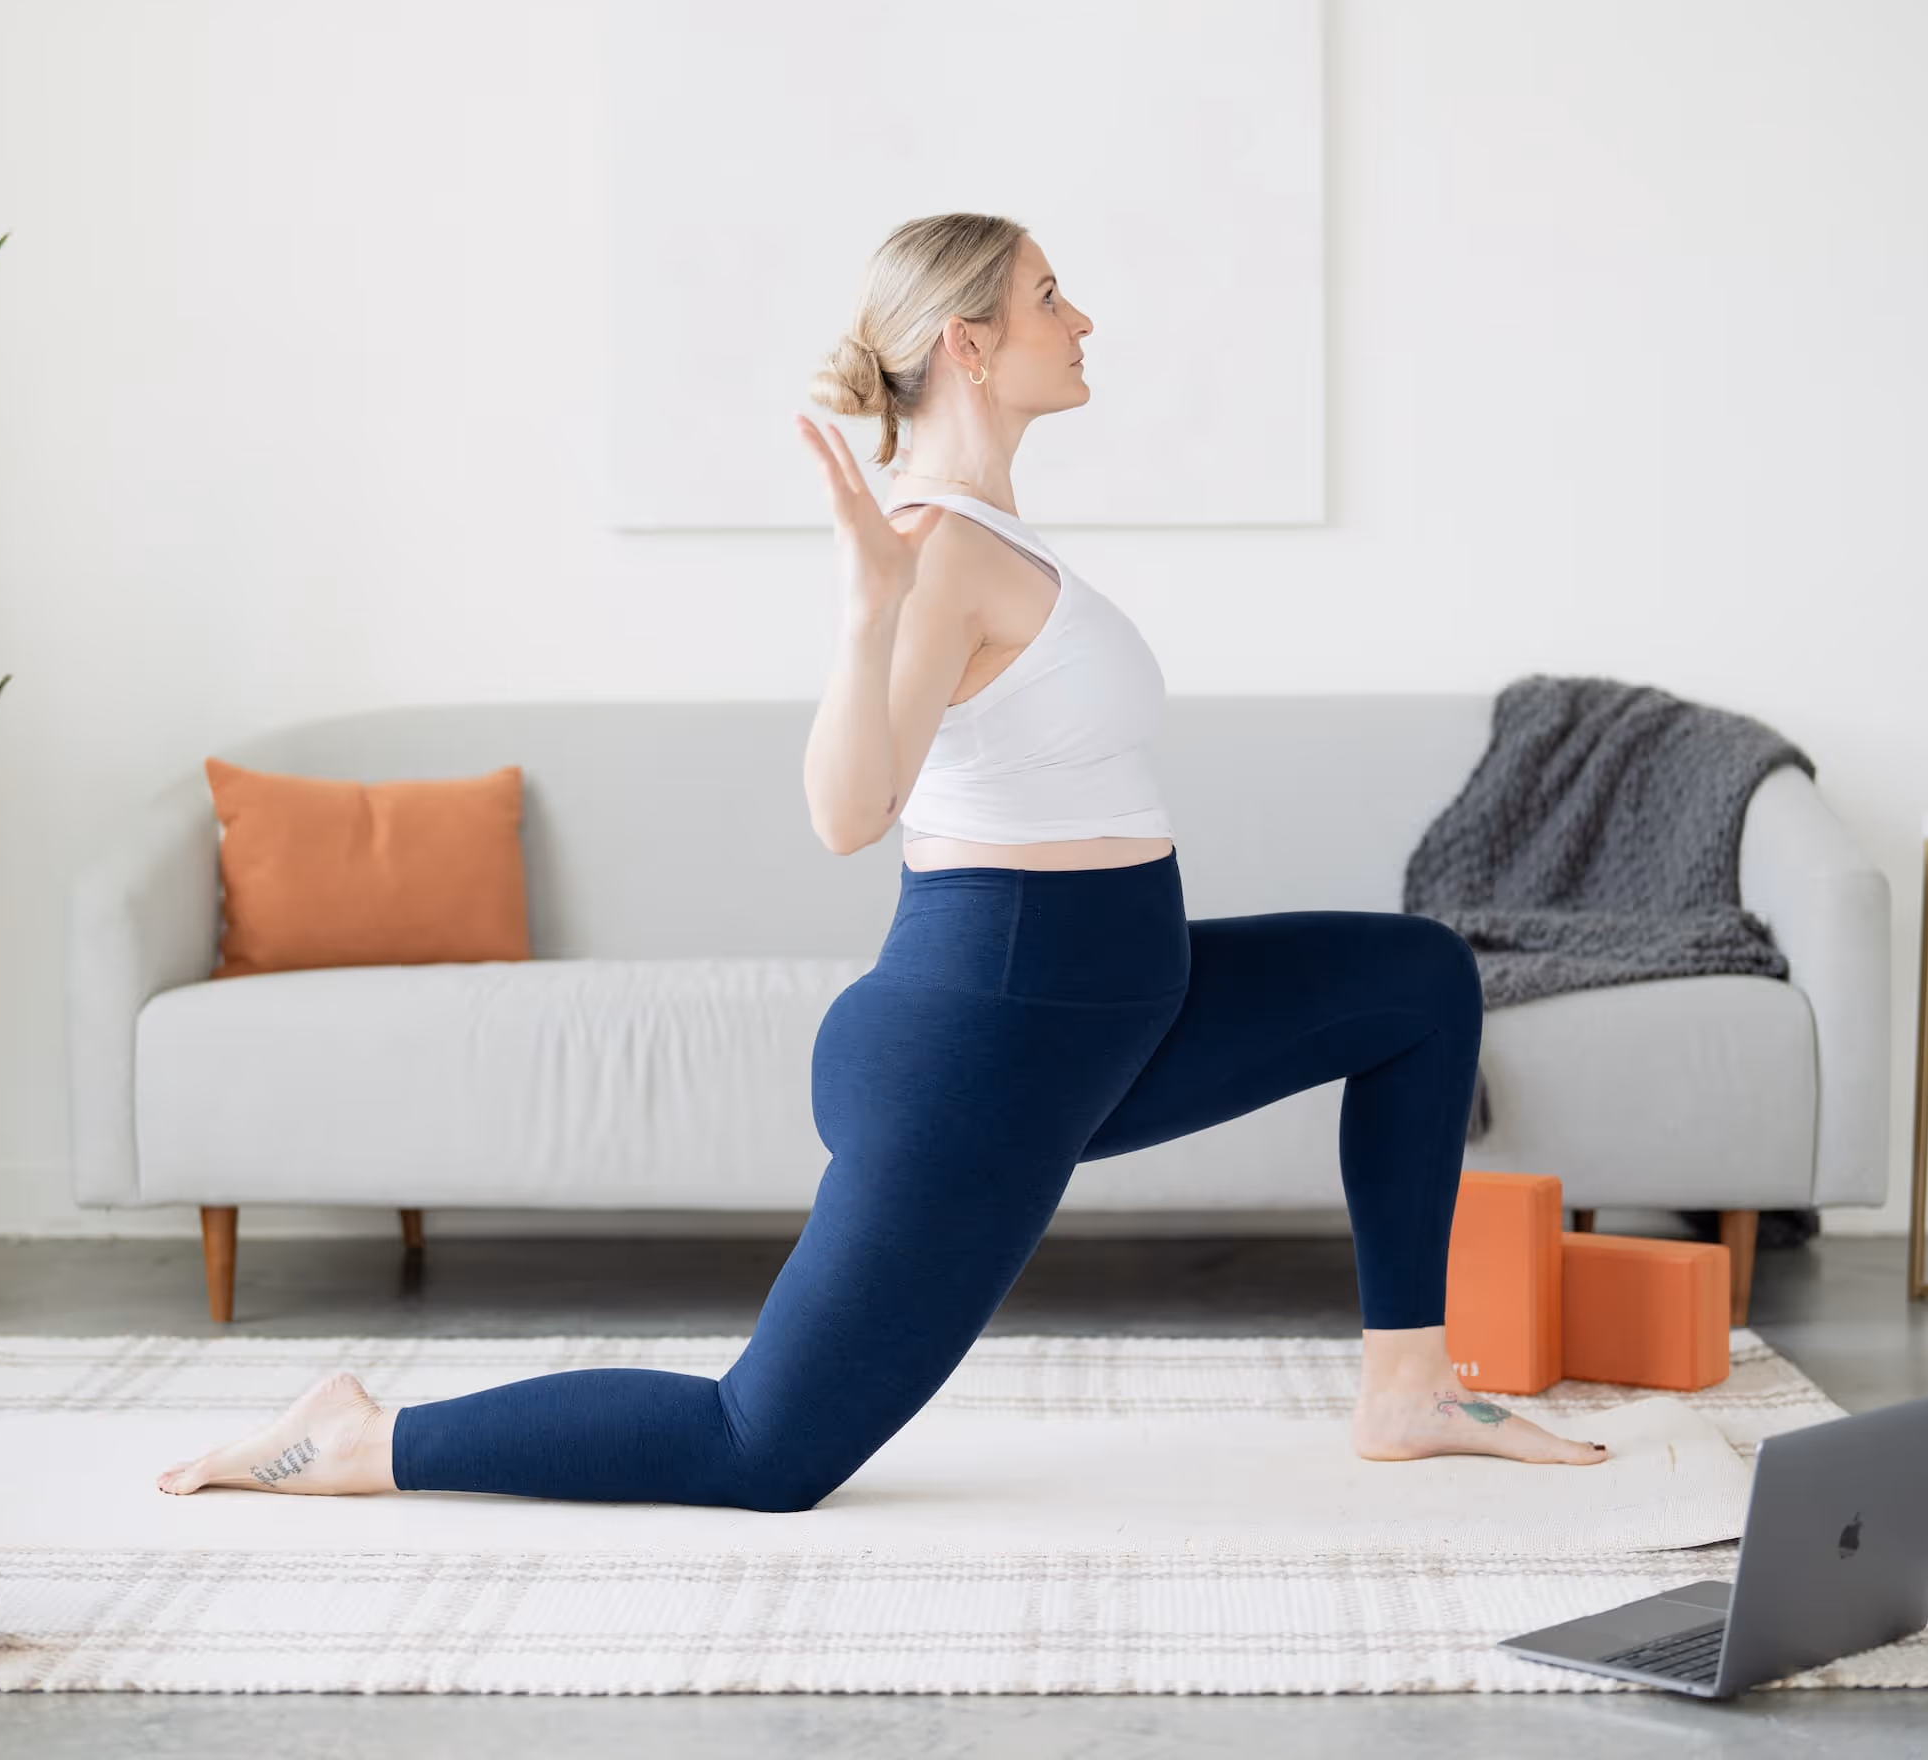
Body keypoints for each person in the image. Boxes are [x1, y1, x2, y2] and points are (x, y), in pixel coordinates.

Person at [157, 212, 1608, 1506]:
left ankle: (1406, 1389)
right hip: (986, 1050)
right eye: (1055, 295)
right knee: (764, 1449)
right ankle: (364, 1438)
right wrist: (864, 616)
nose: (1084, 319)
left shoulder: (985, 534)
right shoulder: (932, 549)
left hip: (1113, 1015)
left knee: (1416, 981)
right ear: (973, 344)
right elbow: (851, 811)